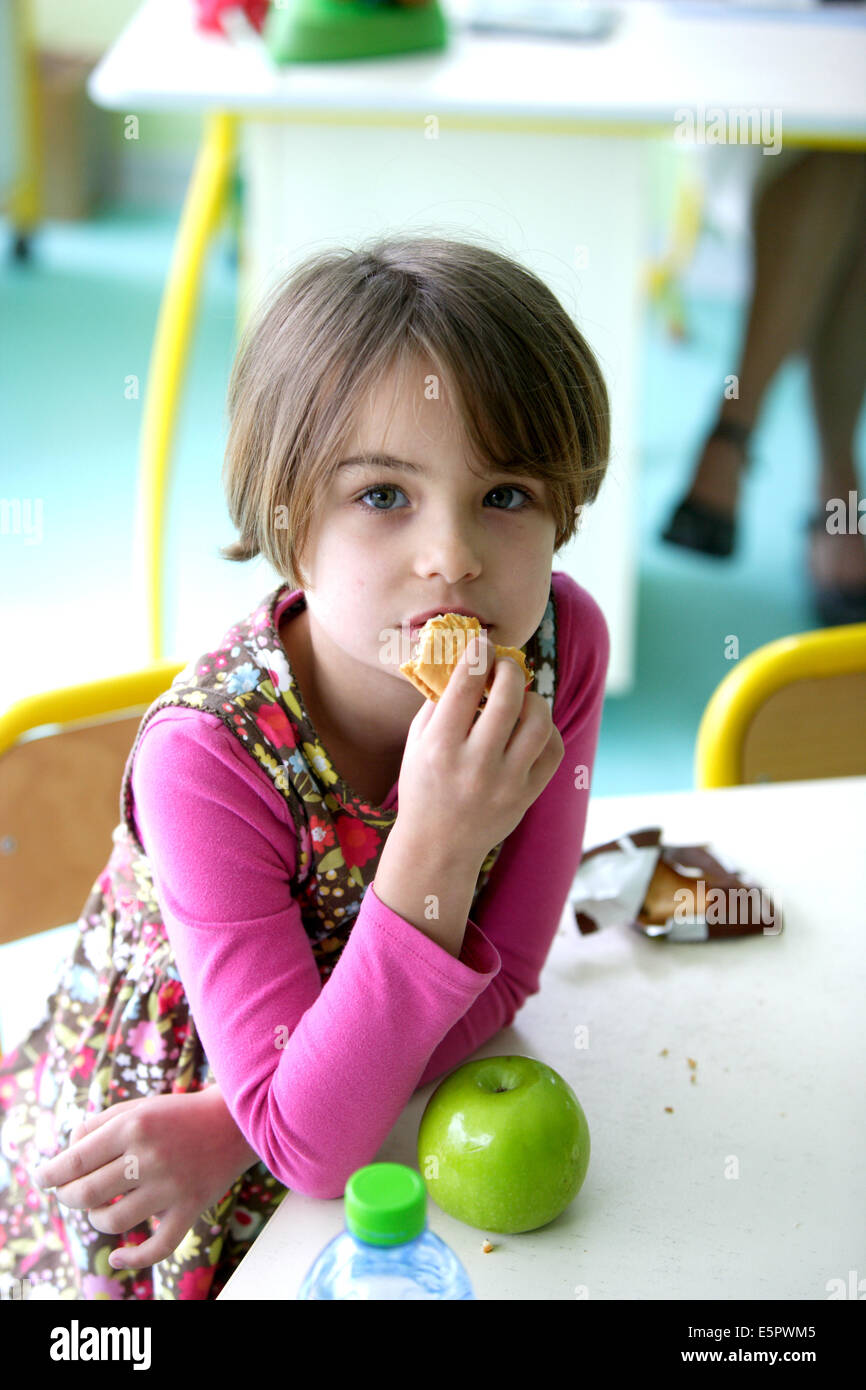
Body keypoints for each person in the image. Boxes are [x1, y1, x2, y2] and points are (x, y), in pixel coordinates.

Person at [0, 236, 611, 1300]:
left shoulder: (560, 648)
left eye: (504, 493)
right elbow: (312, 1154)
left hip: (274, 1112)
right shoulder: (204, 761)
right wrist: (439, 842)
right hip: (170, 1140)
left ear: (564, 510)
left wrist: (255, 1121)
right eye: (383, 494)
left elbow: (507, 971)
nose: (451, 556)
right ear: (286, 523)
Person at [662, 147, 866, 626]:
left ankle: (731, 435)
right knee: (838, 152)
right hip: (756, 121)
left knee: (856, 154)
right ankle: (838, 491)